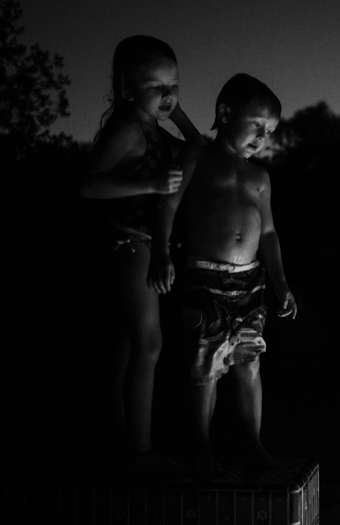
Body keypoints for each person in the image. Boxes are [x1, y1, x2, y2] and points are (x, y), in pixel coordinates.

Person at [148, 73, 297, 474]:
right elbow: (168, 205)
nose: (263, 137)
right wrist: (161, 252)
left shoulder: (260, 177)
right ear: (226, 114)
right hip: (205, 280)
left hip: (251, 283)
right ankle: (200, 448)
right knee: (205, 366)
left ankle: (253, 444)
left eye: (270, 131)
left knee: (250, 363)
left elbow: (268, 231)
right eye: (257, 125)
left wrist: (280, 281)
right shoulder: (198, 159)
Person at [80, 36, 204, 475]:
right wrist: (151, 186)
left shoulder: (152, 128)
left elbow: (197, 152)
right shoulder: (128, 129)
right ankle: (140, 453)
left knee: (127, 345)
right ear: (128, 89)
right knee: (149, 343)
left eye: (175, 84)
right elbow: (89, 184)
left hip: (141, 240)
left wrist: (180, 116)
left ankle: (117, 443)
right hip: (125, 242)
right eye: (156, 86)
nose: (168, 94)